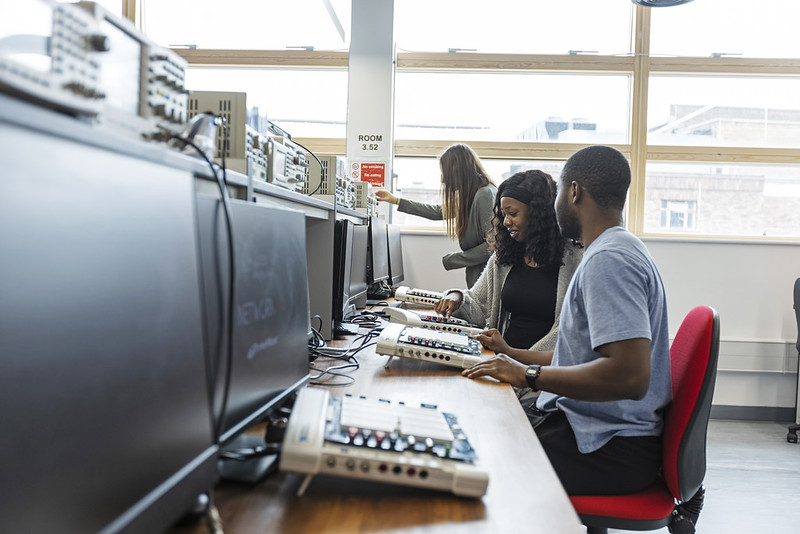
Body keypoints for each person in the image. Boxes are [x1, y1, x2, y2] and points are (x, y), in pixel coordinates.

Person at [462, 145, 671, 497]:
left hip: (607, 446)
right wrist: (516, 360)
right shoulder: (617, 249)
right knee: (481, 424)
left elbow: (630, 376)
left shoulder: (609, 260)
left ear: (574, 191)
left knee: (471, 457)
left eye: (559, 190)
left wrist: (526, 374)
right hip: (597, 430)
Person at [432, 170, 583, 356]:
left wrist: (512, 356)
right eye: (503, 214)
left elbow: (566, 334)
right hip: (502, 359)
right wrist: (457, 297)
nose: (505, 222)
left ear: (538, 214)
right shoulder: (504, 258)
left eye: (512, 213)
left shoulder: (575, 261)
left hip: (540, 371)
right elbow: (477, 304)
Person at [375, 143, 496, 287]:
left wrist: (457, 259)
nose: (442, 179)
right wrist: (395, 200)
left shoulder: (484, 195)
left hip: (487, 277)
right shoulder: (472, 195)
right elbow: (438, 212)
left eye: (445, 172)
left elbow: (493, 245)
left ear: (457, 171)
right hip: (479, 274)